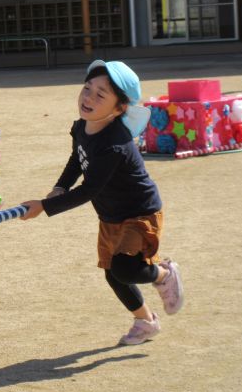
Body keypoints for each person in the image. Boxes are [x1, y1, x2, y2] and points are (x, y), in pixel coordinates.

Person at [20, 60, 184, 346]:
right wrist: (59, 187)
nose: (88, 97)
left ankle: (164, 274)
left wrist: (44, 207)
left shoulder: (114, 143)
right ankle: (145, 321)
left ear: (119, 108)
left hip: (139, 212)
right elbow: (77, 159)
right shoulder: (83, 127)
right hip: (110, 214)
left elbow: (89, 190)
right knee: (113, 275)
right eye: (87, 88)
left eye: (100, 94)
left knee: (125, 269)